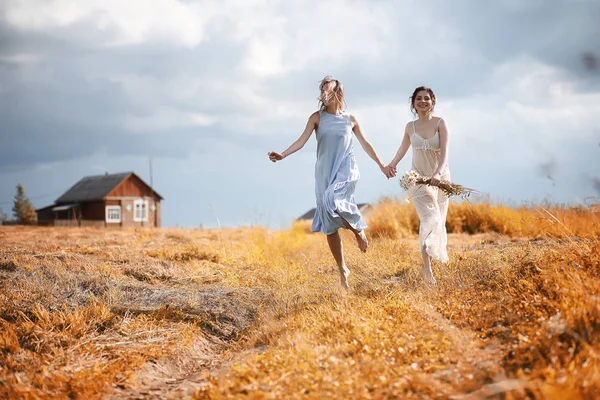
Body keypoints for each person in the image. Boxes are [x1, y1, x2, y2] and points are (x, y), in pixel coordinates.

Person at [268, 76, 394, 289]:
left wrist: (382, 165)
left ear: (339, 93)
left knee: (332, 200)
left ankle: (358, 230)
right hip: (324, 172)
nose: (324, 94)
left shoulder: (350, 119)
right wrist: (283, 154)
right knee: (328, 224)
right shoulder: (316, 118)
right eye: (322, 90)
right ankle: (342, 269)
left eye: (328, 90)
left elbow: (365, 144)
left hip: (346, 169)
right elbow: (301, 141)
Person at [385, 86, 450, 285]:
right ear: (413, 103)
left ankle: (427, 261)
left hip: (440, 179)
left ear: (433, 101)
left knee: (438, 220)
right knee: (430, 218)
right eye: (419, 99)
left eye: (427, 98)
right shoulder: (409, 127)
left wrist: (438, 174)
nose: (423, 102)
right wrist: (392, 164)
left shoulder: (440, 123)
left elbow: (445, 152)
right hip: (417, 179)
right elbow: (402, 149)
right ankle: (427, 269)